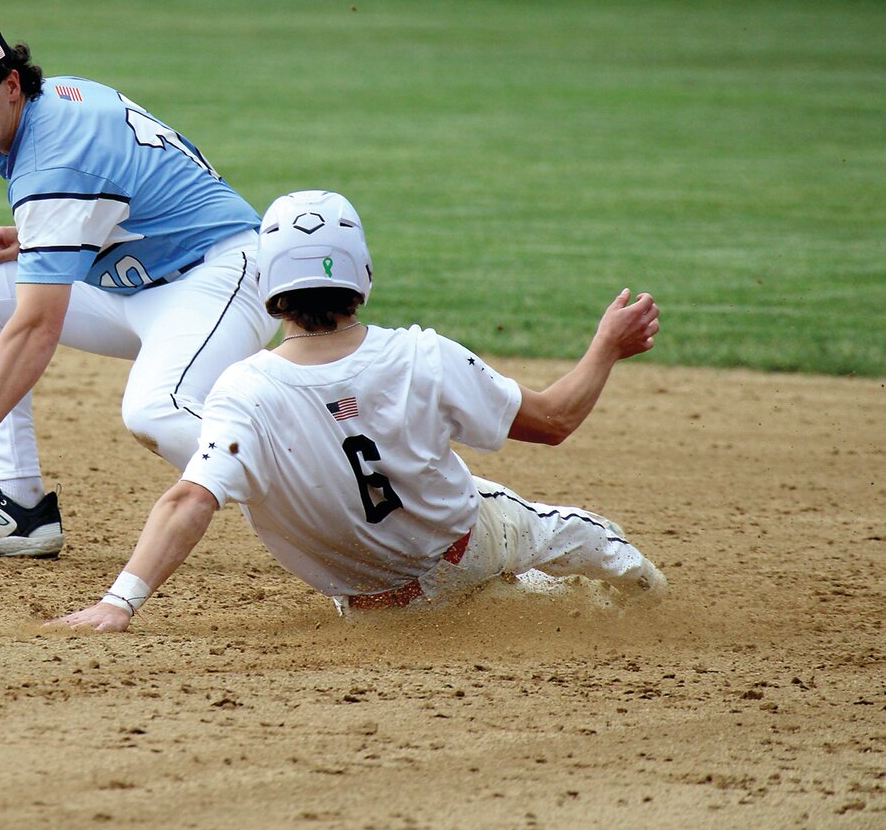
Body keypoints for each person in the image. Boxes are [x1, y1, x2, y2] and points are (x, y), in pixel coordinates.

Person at [51, 190, 667, 631]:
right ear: (362, 276)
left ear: (269, 288)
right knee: (580, 535)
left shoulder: (242, 390)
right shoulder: (422, 354)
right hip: (463, 550)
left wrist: (119, 601)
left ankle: (516, 597)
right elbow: (555, 421)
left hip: (369, 606)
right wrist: (606, 348)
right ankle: (650, 601)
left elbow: (190, 501)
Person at [0, 18, 277, 557]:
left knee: (156, 410)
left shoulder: (54, 160)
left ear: (12, 85)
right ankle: (17, 508)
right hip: (141, 279)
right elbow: (123, 190)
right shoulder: (54, 103)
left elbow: (36, 328)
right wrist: (41, 237)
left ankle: (342, 495)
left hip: (218, 275)